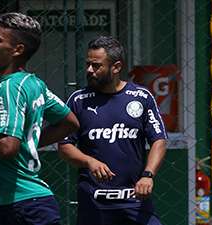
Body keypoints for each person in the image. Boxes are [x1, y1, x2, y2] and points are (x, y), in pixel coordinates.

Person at [0, 12, 79, 225]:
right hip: (3, 204)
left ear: (18, 50)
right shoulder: (33, 84)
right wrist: (31, 142)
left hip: (24, 206)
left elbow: (7, 147)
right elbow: (70, 123)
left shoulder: (11, 88)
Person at [58, 36, 167, 225]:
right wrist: (89, 161)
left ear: (116, 67)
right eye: (88, 64)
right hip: (94, 202)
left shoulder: (141, 97)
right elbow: (64, 145)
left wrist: (148, 175)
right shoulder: (78, 100)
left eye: (96, 65)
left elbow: (159, 140)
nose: (89, 70)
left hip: (135, 200)